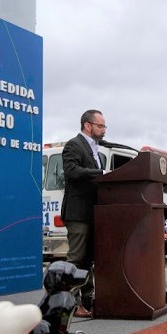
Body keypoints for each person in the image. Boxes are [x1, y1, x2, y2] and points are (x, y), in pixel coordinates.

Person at [61, 109, 108, 317]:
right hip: (78, 213)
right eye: (101, 126)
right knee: (76, 259)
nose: (104, 130)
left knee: (88, 260)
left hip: (93, 214)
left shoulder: (96, 150)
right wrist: (101, 173)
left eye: (104, 126)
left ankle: (87, 302)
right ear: (87, 125)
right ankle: (69, 304)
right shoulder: (74, 144)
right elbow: (72, 172)